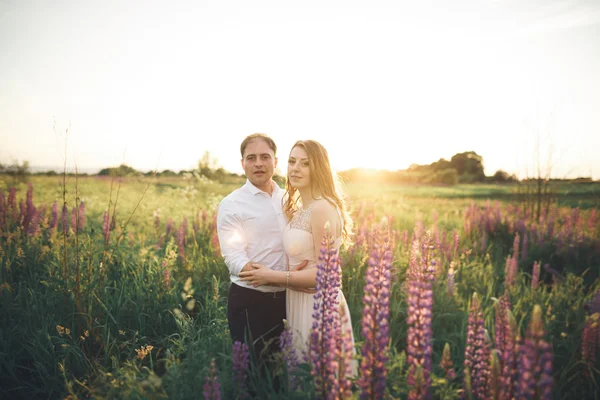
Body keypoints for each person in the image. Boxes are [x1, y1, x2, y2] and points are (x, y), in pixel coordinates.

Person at [239, 139, 356, 367]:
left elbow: (328, 274)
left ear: (319, 168)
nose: (295, 168)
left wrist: (272, 276)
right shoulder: (300, 208)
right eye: (292, 161)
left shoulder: (322, 207)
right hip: (298, 298)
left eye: (305, 163)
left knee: (318, 377)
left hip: (318, 303)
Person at [217, 133, 307, 369]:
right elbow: (234, 256)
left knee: (289, 370)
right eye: (251, 157)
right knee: (256, 374)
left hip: (291, 297)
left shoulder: (289, 198)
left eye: (265, 157)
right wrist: (264, 275)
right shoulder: (232, 203)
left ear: (275, 162)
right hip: (251, 300)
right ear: (243, 164)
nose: (258, 163)